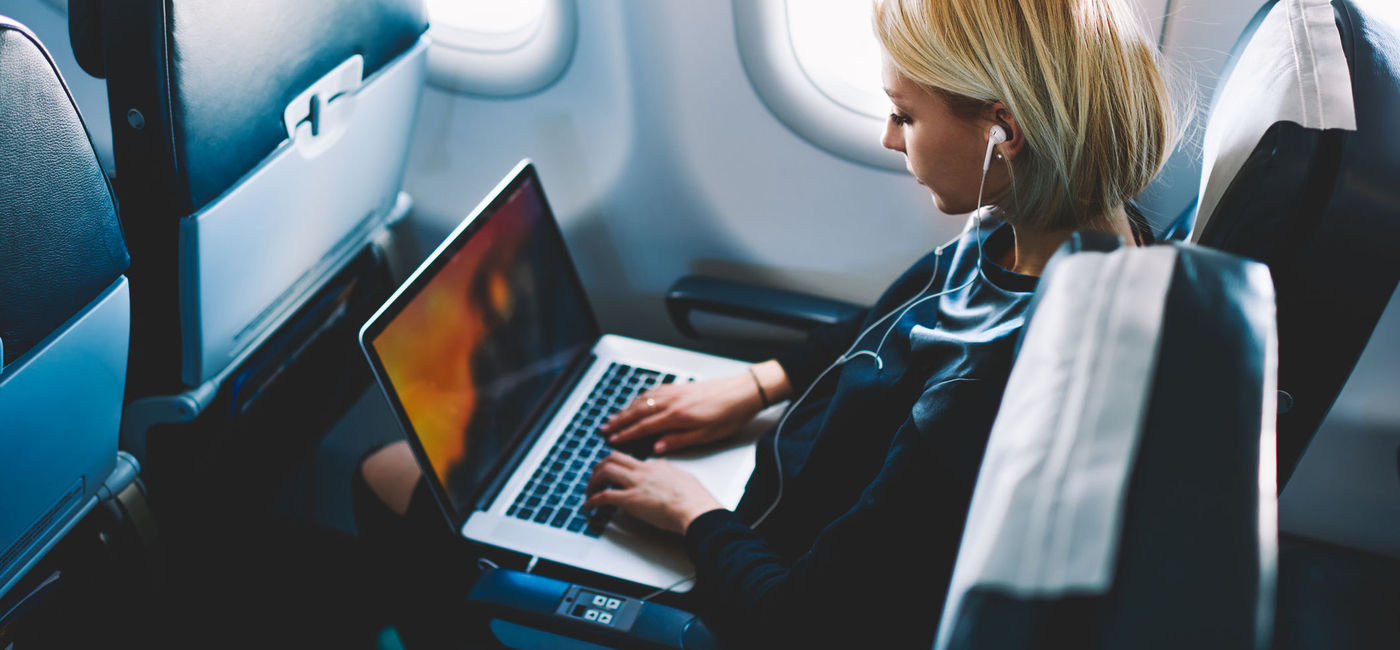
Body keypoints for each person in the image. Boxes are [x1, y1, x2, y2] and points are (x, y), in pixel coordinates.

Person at [355, 0, 1177, 646]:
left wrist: (692, 515)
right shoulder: (1053, 230)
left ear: (1005, 132)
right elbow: (883, 326)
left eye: (907, 115)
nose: (889, 138)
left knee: (393, 476)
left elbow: (803, 626)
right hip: (786, 497)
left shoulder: (989, 391)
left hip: (755, 579)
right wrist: (754, 386)